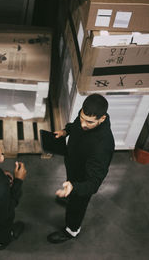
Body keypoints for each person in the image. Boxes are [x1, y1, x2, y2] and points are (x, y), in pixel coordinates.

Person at [47, 93, 115, 243]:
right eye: (82, 118)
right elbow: (76, 125)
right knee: (71, 191)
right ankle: (70, 196)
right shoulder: (84, 118)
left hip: (84, 183)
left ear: (102, 118)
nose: (84, 124)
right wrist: (66, 131)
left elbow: (93, 184)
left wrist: (75, 188)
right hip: (74, 167)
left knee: (77, 207)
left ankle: (72, 231)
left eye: (89, 122)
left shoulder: (102, 146)